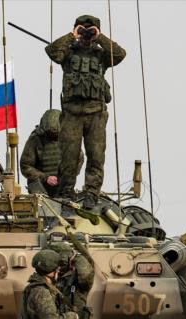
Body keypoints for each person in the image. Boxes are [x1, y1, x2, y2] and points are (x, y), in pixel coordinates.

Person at [46, 14, 126, 205]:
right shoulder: (68, 52)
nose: (85, 36)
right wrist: (72, 36)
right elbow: (52, 51)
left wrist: (100, 37)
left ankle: (91, 193)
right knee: (68, 157)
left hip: (96, 114)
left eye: (89, 32)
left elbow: (120, 54)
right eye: (82, 31)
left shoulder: (102, 55)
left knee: (96, 157)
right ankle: (66, 193)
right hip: (72, 114)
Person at [20, 109, 84, 197]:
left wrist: (67, 177)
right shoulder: (36, 139)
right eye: (50, 134)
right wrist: (45, 178)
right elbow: (25, 166)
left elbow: (79, 158)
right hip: (40, 188)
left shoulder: (68, 137)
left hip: (63, 187)